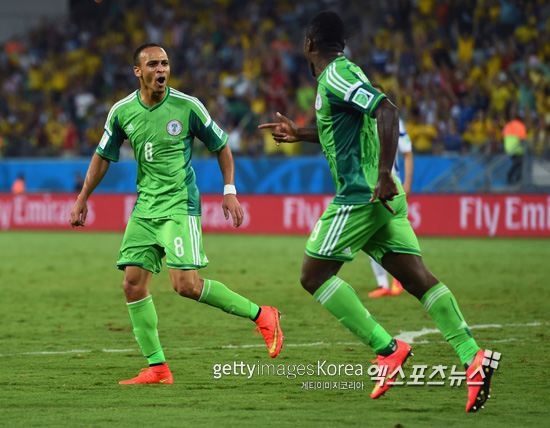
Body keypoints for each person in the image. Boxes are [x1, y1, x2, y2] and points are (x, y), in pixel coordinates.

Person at [259, 11, 493, 413]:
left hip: (362, 195)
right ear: (342, 44)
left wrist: (384, 173)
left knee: (313, 276)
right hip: (382, 196)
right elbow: (345, 127)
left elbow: (387, 110)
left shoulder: (334, 76)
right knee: (419, 279)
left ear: (309, 45)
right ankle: (473, 356)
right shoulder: (347, 74)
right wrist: (299, 133)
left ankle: (388, 349)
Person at [69, 43, 283, 385]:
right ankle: (157, 368)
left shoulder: (188, 107)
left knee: (186, 285)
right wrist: (82, 198)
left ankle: (263, 315)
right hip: (144, 210)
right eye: (152, 64)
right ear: (138, 71)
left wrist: (229, 191)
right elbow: (103, 155)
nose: (161, 70)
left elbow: (221, 146)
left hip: (180, 207)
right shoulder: (122, 111)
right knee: (132, 285)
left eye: (165, 63)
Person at [367, 83, 413, 298]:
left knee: (389, 233)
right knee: (368, 234)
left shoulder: (393, 120)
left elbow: (408, 152)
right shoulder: (362, 120)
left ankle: (398, 278)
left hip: (389, 183)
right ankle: (383, 284)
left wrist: (408, 183)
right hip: (367, 184)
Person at [502, 112, 527, 185]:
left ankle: (516, 178)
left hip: (508, 147)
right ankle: (513, 177)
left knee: (517, 163)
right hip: (517, 148)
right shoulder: (520, 125)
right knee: (520, 163)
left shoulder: (508, 124)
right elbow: (523, 138)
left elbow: (503, 135)